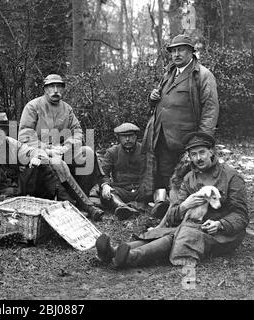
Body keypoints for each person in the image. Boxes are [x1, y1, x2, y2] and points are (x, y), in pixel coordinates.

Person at [95, 132, 248, 268]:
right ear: (189, 156)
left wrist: (220, 224)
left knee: (176, 237)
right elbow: (173, 213)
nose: (198, 158)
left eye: (202, 152)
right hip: (190, 227)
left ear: (211, 152)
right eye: (193, 154)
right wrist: (184, 207)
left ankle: (130, 257)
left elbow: (241, 215)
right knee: (167, 233)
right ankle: (112, 251)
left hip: (221, 235)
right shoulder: (189, 178)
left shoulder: (231, 177)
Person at [141, 34, 219, 218]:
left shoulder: (203, 75)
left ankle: (190, 212)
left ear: (191, 51)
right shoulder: (169, 74)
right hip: (163, 135)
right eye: (173, 50)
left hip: (188, 139)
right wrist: (152, 99)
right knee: (165, 173)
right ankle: (168, 207)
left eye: (181, 50)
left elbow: (210, 109)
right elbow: (162, 102)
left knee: (190, 176)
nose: (176, 54)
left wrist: (201, 141)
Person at [18, 74, 104, 221]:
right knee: (57, 163)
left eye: (59, 87)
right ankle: (82, 204)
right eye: (51, 87)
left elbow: (77, 131)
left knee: (87, 153)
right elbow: (25, 136)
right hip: (39, 154)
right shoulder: (33, 106)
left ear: (63, 89)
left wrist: (68, 146)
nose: (55, 90)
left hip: (63, 150)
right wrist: (47, 149)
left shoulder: (67, 108)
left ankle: (80, 200)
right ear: (45, 89)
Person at [0, 112, 74, 208]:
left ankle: (67, 204)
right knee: (13, 206)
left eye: (3, 130)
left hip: (16, 188)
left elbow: (31, 151)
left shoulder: (12, 144)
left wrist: (35, 157)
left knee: (43, 166)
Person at [99, 123, 142, 220]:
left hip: (141, 189)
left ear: (135, 136)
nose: (127, 139)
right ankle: (123, 207)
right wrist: (105, 185)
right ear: (119, 138)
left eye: (130, 136)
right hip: (121, 190)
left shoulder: (144, 150)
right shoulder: (112, 152)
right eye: (124, 136)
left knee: (157, 186)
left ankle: (160, 204)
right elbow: (103, 173)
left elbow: (151, 171)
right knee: (107, 193)